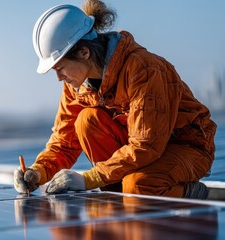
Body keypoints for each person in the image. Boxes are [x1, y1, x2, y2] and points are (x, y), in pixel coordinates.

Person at [14, 0, 217, 199]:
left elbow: (146, 144)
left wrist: (91, 178)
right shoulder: (76, 85)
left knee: (138, 186)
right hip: (140, 150)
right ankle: (122, 193)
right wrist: (38, 172)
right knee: (87, 120)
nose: (59, 78)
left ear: (84, 52)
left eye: (60, 68)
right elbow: (64, 142)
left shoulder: (142, 69)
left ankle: (190, 192)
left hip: (186, 147)